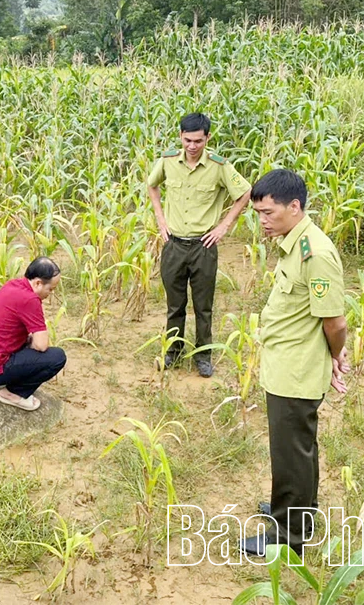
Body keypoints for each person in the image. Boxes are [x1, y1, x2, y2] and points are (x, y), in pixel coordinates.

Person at [242, 169, 350, 558]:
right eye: (258, 214)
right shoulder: (294, 241)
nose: (263, 222)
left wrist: (336, 355)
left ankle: (289, 538)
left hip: (297, 372)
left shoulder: (315, 253)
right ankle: (291, 512)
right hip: (285, 364)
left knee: (292, 452)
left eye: (268, 213)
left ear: (295, 206)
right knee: (293, 449)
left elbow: (335, 322)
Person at [147, 112, 252, 377]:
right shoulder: (168, 161)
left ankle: (203, 355)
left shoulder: (219, 166)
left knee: (203, 305)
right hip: (174, 244)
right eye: (187, 140)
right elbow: (152, 185)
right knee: (175, 304)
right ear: (180, 136)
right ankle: (174, 351)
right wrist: (161, 220)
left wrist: (223, 226)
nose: (192, 146)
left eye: (198, 141)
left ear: (207, 138)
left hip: (203, 246)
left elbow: (245, 192)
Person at [0, 257, 67, 411]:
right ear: (38, 283)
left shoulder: (13, 285)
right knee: (56, 357)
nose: (50, 294)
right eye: (50, 289)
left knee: (28, 340)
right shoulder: (30, 299)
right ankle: (14, 393)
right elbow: (41, 345)